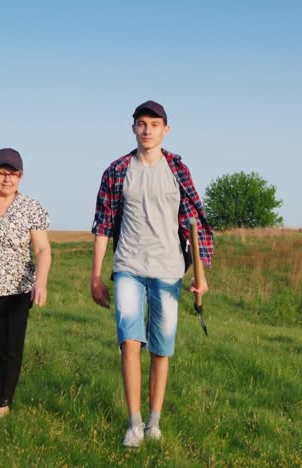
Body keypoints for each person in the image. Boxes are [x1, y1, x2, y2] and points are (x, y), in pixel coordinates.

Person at [91, 100, 214, 447]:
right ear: (133, 128)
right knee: (129, 342)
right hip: (129, 265)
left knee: (161, 349)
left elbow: (193, 223)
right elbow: (102, 225)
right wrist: (96, 275)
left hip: (168, 269)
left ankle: (153, 422)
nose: (147, 130)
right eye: (141, 124)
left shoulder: (177, 169)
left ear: (165, 130)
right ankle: (133, 423)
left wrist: (200, 276)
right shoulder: (116, 171)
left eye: (154, 124)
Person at [0, 148, 52, 422]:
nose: (7, 179)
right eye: (2, 172)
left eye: (13, 173)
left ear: (21, 176)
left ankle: (3, 403)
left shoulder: (32, 208)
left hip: (18, 288)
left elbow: (42, 250)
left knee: (10, 347)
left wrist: (40, 282)